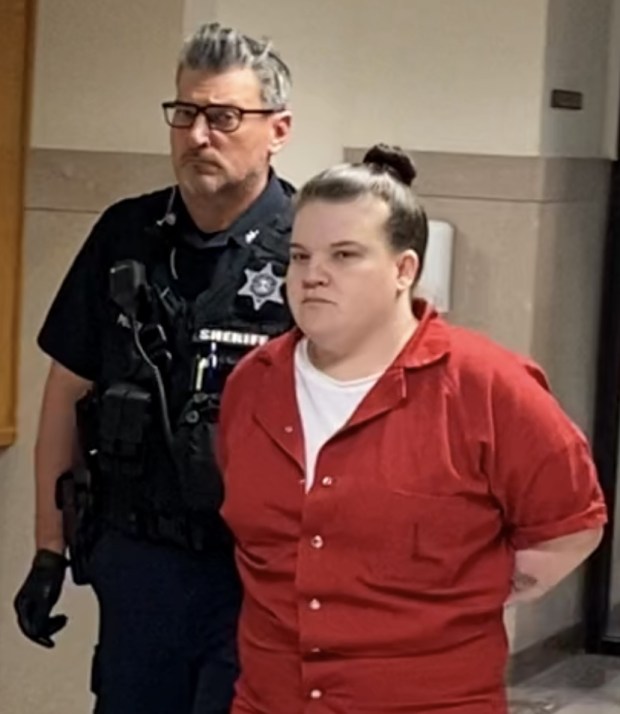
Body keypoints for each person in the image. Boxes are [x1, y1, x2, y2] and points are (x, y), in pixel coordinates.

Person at [217, 144, 608, 714]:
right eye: (299, 257)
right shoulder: (254, 384)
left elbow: (571, 524)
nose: (313, 276)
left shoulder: (490, 387)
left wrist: (460, 597)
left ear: (405, 270)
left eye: (344, 255)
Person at [14, 22, 294, 714]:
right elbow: (66, 391)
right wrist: (50, 549)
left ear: (277, 129)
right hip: (141, 566)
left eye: (224, 116)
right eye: (185, 113)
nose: (199, 135)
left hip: (259, 574)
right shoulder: (125, 235)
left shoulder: (313, 247)